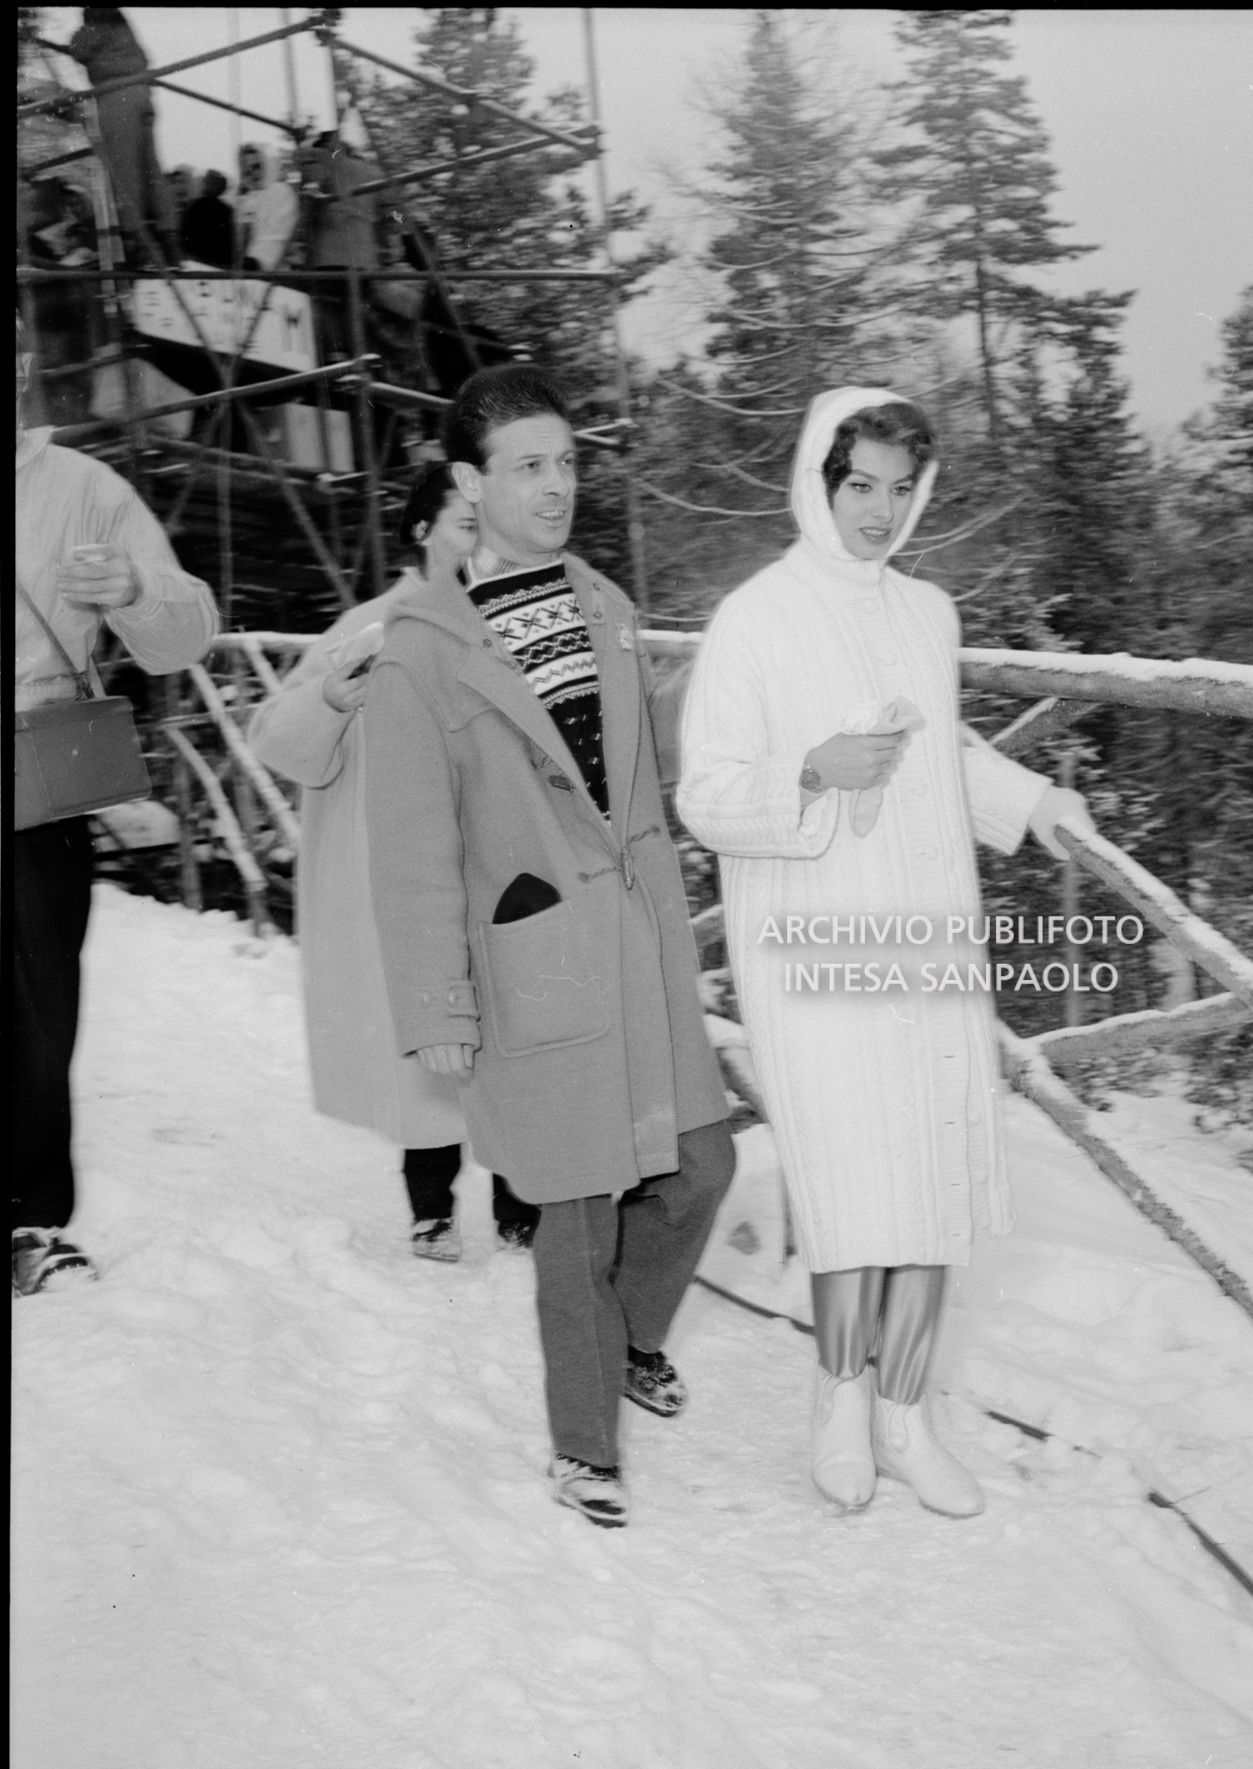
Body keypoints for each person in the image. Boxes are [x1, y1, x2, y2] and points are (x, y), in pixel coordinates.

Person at [677, 387, 1091, 1519]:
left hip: (923, 931)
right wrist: (808, 771)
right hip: (811, 939)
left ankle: (905, 1415)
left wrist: (1034, 802)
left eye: (902, 489)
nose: (880, 510)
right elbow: (705, 792)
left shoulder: (927, 615)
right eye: (859, 483)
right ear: (818, 479)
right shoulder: (754, 619)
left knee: (927, 1184)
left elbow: (945, 751)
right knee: (856, 1188)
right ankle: (838, 1406)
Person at [358, 366, 732, 1530]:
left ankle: (628, 1339)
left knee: (701, 1165)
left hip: (640, 941)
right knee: (576, 1213)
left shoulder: (608, 606)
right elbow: (411, 847)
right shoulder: (418, 652)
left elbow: (651, 756)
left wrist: (757, 704)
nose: (556, 485)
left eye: (567, 462)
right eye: (528, 465)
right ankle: (584, 1449)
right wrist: (440, 1006)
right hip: (534, 954)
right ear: (469, 481)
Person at [247, 465, 539, 1261]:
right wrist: (333, 700)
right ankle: (431, 1207)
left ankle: (524, 1200)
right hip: (407, 872)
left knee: (513, 1026)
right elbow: (275, 741)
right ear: (421, 533)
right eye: (466, 527)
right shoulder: (370, 629)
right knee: (424, 1030)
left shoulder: (516, 624)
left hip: (500, 862)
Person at [13, 318, 219, 1295]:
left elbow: (187, 632)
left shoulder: (89, 492)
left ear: (22, 366)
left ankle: (28, 1223)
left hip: (34, 782)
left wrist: (136, 585)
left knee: (36, 1010)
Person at [67, 7, 168, 267]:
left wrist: (75, 39)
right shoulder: (121, 24)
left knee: (125, 171)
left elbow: (79, 47)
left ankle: (136, 244)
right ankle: (169, 238)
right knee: (150, 170)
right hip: (141, 92)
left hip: (116, 95)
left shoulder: (98, 16)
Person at [237, 144, 300, 273]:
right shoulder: (243, 201)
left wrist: (257, 261)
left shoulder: (280, 192)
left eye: (256, 167)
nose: (252, 173)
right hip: (245, 273)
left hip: (272, 273)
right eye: (246, 170)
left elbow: (277, 235)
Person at [178, 168, 236, 270]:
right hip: (221, 267)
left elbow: (184, 238)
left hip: (196, 264)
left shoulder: (194, 206)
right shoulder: (227, 210)